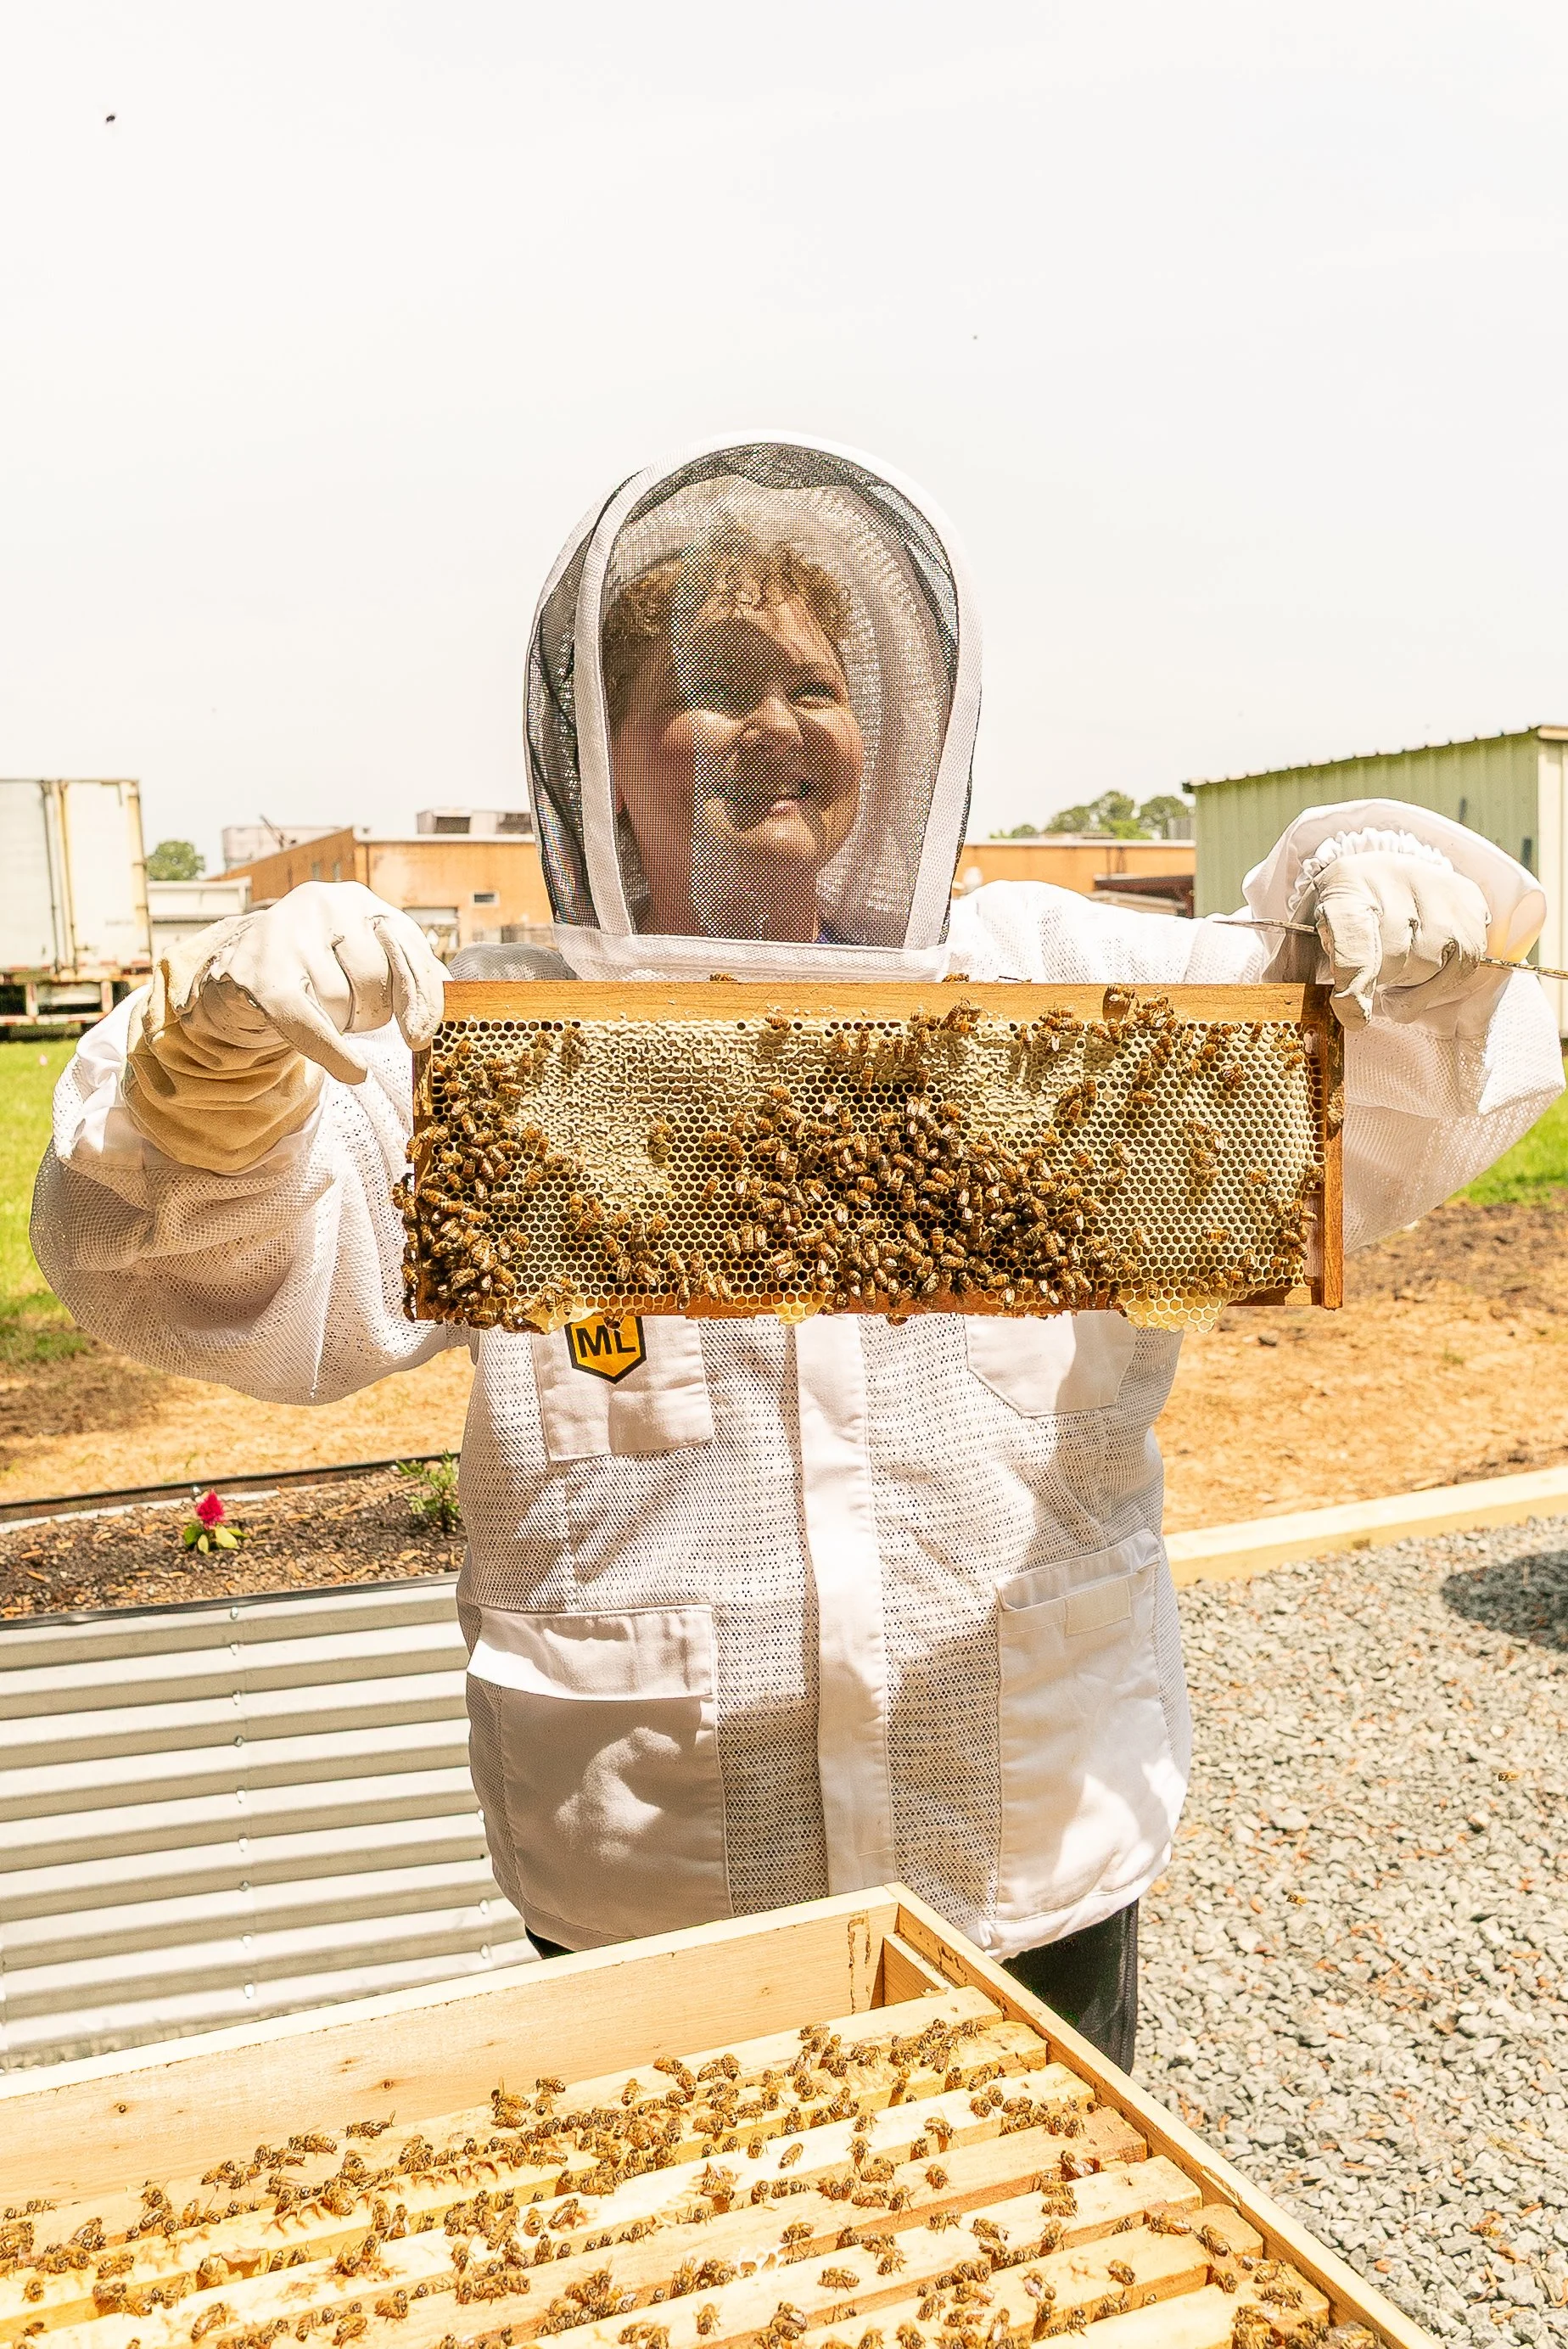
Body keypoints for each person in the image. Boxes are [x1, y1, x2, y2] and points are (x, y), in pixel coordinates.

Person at [33, 436, 1563, 2076]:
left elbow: (1382, 1111)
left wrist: (1403, 925)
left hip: (1025, 1850)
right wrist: (212, 1092)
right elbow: (231, 1292)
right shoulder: (492, 1033)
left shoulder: (1056, 985)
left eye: (816, 687)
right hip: (647, 1869)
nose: (771, 729)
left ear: (891, 728)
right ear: (605, 747)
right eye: (708, 683)